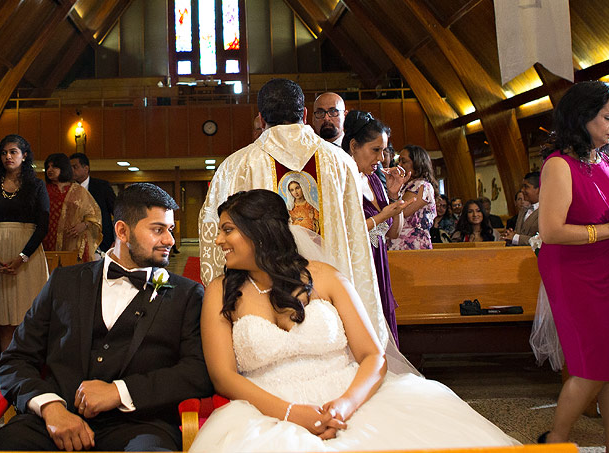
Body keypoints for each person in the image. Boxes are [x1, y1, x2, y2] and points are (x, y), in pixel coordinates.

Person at [190, 190, 517, 451]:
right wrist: (291, 413)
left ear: (260, 232)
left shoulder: (326, 278)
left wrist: (346, 405)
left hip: (349, 397)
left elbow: (373, 355)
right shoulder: (221, 291)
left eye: (228, 230)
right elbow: (223, 376)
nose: (219, 240)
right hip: (267, 408)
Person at [0, 183, 212, 451]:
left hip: (140, 426)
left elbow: (197, 371)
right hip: (54, 421)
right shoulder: (64, 282)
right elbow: (16, 359)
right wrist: (50, 408)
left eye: (170, 230)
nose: (170, 240)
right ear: (122, 231)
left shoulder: (187, 294)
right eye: (158, 230)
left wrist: (120, 391)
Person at [200, 79, 385, 342]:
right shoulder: (341, 162)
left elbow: (212, 234)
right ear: (306, 114)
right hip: (333, 298)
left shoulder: (236, 165)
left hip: (263, 305)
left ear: (261, 119)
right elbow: (355, 238)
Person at [536, 80, 609, 451]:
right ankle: (556, 442)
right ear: (582, 119)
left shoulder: (606, 162)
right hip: (572, 272)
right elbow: (550, 230)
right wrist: (608, 228)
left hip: (608, 271)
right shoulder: (559, 165)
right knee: (592, 366)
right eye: (607, 118)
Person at [0, 134, 50, 353]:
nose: (8, 157)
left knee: (26, 319)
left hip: (28, 254)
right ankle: (6, 379)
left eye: (13, 152)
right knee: (4, 322)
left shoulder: (36, 185)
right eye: (4, 153)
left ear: (24, 156)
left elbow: (43, 226)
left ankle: (28, 376)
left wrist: (22, 257)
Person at [342, 111, 406, 344]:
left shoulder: (373, 180)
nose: (381, 157)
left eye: (384, 150)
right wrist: (380, 217)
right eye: (375, 150)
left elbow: (393, 232)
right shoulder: (343, 182)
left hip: (379, 259)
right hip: (357, 264)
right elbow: (344, 230)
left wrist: (393, 194)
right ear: (353, 146)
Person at [44, 152, 102, 263]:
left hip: (73, 243)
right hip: (48, 242)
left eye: (54, 166)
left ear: (64, 168)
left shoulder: (79, 191)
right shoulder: (43, 190)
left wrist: (84, 225)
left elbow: (94, 214)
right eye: (48, 167)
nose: (50, 170)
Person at [388, 145, 436, 250]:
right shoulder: (405, 185)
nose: (399, 165)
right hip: (398, 243)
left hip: (413, 244)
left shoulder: (421, 185)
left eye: (404, 161)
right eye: (399, 161)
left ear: (418, 163)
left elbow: (401, 210)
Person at [70, 152, 116, 254]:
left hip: (103, 240)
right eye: (70, 168)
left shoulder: (102, 186)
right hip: (77, 241)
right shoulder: (69, 189)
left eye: (75, 167)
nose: (72, 171)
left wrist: (117, 239)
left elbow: (116, 211)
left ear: (86, 168)